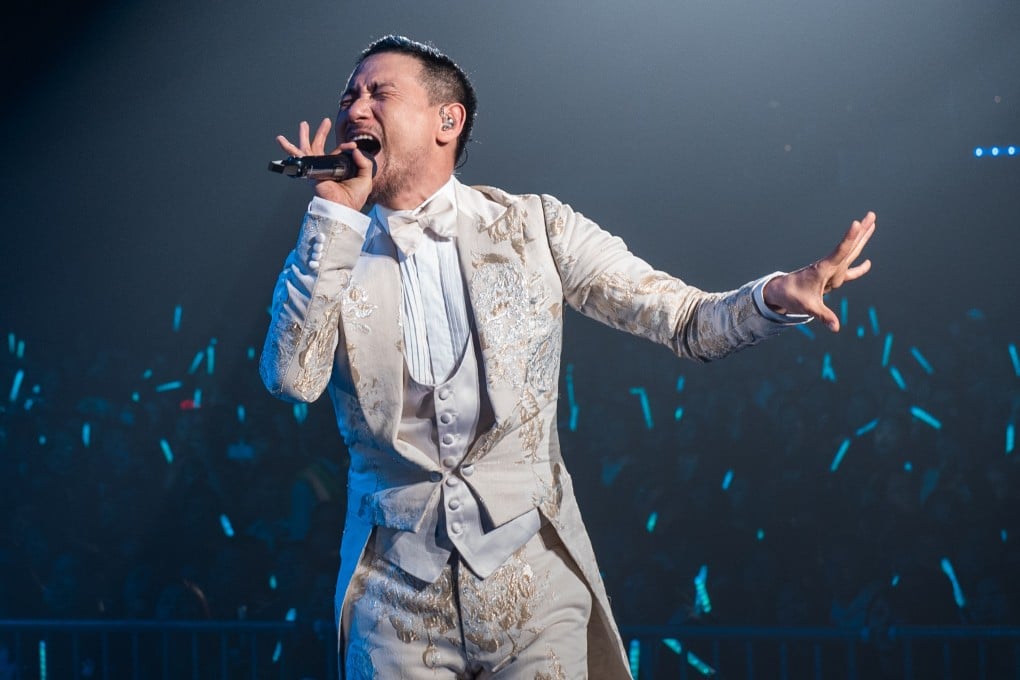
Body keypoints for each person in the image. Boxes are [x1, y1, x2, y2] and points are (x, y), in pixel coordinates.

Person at [259, 34, 877, 679]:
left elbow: (685, 321)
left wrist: (775, 297)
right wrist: (332, 219)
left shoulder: (536, 228)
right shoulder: (330, 253)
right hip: (393, 597)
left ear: (448, 120)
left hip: (533, 584)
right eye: (348, 97)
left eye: (379, 93)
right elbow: (290, 378)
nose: (356, 109)